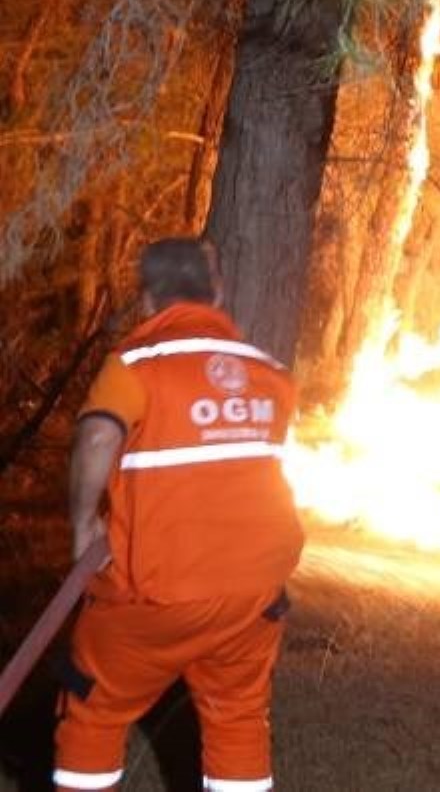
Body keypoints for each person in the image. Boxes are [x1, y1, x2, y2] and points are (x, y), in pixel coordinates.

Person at [54, 238, 305, 792]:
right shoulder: (273, 376)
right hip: (254, 596)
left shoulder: (135, 366)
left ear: (147, 301)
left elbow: (97, 438)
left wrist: (82, 526)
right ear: (216, 292)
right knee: (237, 718)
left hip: (157, 593)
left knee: (93, 709)